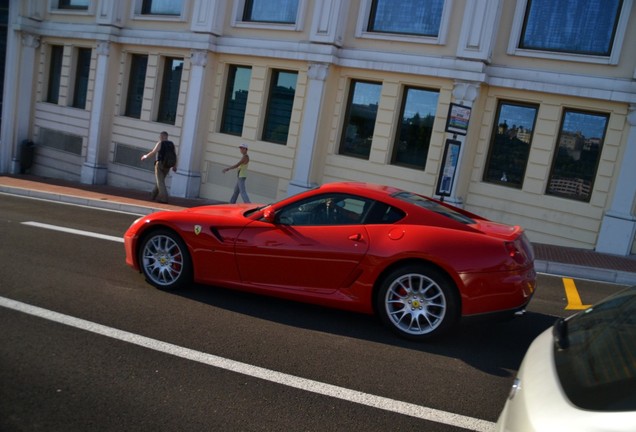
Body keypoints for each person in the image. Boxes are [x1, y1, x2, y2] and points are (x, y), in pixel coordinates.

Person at [141, 131, 177, 203]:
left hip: (160, 164)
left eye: (160, 136)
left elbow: (153, 152)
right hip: (168, 165)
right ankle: (153, 195)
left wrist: (145, 156)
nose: (159, 137)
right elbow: (175, 155)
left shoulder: (160, 143)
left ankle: (164, 198)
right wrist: (174, 166)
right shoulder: (172, 144)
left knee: (160, 181)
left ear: (163, 136)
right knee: (160, 180)